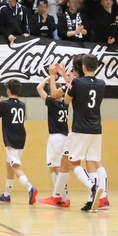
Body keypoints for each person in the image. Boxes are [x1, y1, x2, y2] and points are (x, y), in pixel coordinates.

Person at [40, 54, 107, 212]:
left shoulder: (76, 82)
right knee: (91, 161)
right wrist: (65, 77)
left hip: (80, 129)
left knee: (72, 163)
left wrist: (52, 75)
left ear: (83, 67)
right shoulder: (101, 83)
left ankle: (92, 187)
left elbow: (63, 99)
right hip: (96, 129)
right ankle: (93, 199)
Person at [0, 79, 38, 204]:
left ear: (8, 90)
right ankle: (7, 194)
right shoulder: (22, 104)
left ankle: (30, 188)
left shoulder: (4, 104)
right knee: (9, 165)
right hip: (21, 136)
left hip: (10, 138)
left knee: (15, 166)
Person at [37, 63, 71, 205]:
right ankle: (62, 196)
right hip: (66, 137)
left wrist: (50, 76)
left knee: (56, 167)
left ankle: (63, 197)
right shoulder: (65, 103)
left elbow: (38, 88)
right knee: (56, 166)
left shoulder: (51, 102)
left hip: (56, 137)